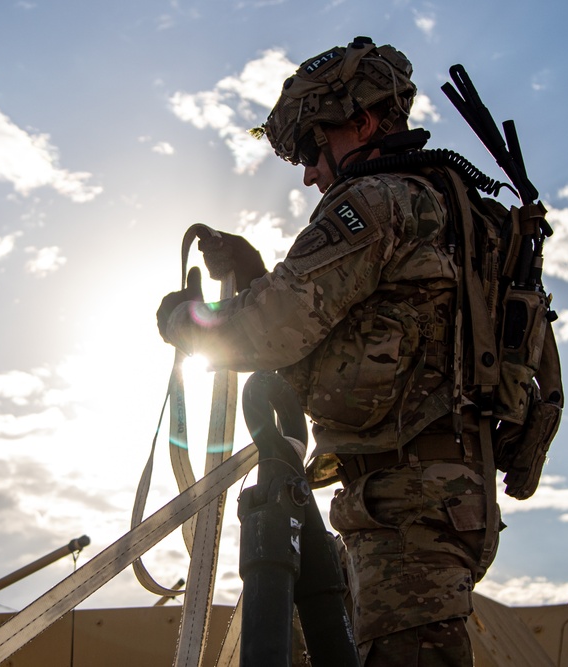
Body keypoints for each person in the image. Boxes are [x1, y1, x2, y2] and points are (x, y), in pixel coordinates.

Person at [156, 37, 498, 667]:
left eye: (314, 148)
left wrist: (181, 320)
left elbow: (270, 330)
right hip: (437, 496)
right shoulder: (447, 206)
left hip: (406, 506)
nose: (312, 171)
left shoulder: (375, 201)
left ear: (363, 122)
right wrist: (260, 273)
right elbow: (347, 329)